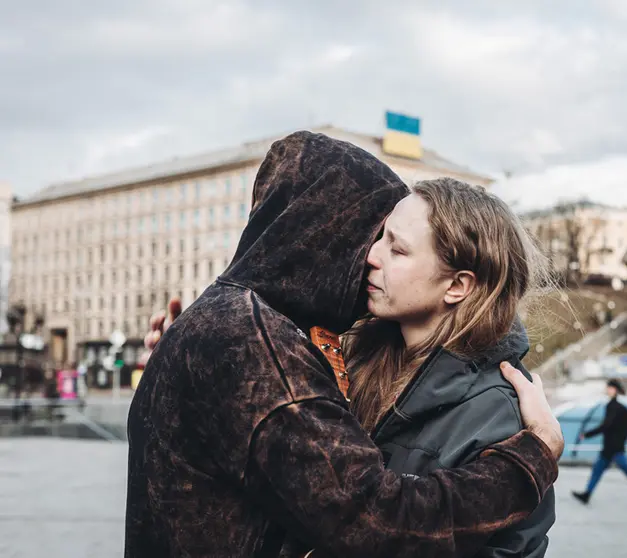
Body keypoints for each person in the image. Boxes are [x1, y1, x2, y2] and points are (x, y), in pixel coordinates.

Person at [125, 131, 565, 558]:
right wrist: (211, 373)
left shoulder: (501, 409)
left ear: (457, 285)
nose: (371, 255)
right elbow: (359, 516)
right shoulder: (331, 356)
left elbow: (500, 545)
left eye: (397, 248)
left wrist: (533, 452)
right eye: (377, 238)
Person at [571, 379, 627, 508]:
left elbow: (606, 425)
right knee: (598, 470)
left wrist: (587, 434)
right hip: (614, 447)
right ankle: (587, 494)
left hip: (612, 448)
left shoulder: (612, 407)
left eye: (609, 388)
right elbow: (622, 427)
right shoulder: (622, 409)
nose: (607, 390)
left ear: (614, 390)